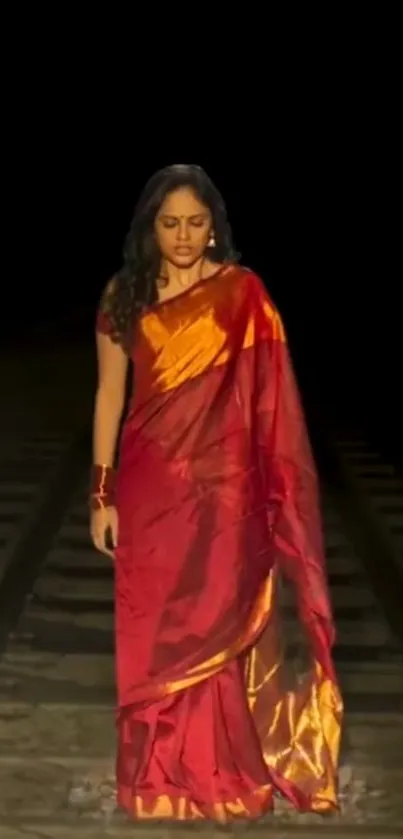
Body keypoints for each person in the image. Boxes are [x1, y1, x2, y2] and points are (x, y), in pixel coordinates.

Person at [90, 163, 343, 826]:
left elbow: (268, 398)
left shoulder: (243, 295)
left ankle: (223, 773)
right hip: (150, 491)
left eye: (194, 223)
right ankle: (154, 776)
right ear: (149, 227)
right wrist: (100, 492)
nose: (181, 234)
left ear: (213, 229)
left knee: (219, 621)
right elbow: (109, 395)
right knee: (152, 633)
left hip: (224, 491)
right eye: (168, 222)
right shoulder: (124, 296)